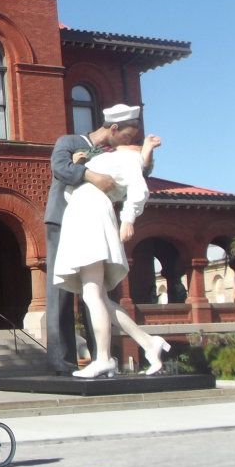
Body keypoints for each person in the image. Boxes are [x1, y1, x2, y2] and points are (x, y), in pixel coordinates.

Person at [54, 107, 169, 378]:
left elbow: (139, 187)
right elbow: (65, 170)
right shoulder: (109, 156)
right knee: (97, 296)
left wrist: (128, 219)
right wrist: (80, 162)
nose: (130, 142)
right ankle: (149, 343)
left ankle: (104, 357)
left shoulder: (127, 159)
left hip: (91, 212)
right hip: (83, 213)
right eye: (128, 136)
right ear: (114, 130)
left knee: (93, 293)